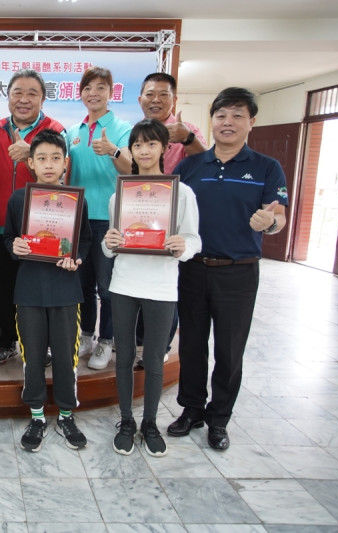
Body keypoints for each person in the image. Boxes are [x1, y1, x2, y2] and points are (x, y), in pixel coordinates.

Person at [169, 87, 288, 451]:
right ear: (212, 121)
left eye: (237, 115)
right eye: (221, 115)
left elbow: (279, 217)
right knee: (190, 343)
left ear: (252, 122)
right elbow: (168, 209)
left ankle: (219, 418)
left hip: (238, 272)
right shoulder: (190, 166)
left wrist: (269, 221)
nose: (228, 122)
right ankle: (191, 409)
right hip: (192, 268)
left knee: (229, 349)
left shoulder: (267, 167)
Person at [103, 119, 201, 457]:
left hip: (161, 286)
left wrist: (180, 246)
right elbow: (110, 246)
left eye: (151, 144)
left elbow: (193, 239)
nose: (144, 151)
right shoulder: (122, 195)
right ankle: (127, 421)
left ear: (164, 148)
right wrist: (110, 241)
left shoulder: (181, 193)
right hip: (125, 283)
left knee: (155, 359)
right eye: (138, 145)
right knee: (125, 356)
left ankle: (150, 423)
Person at [5, 130, 92, 452]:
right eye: (41, 158)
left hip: (66, 292)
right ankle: (38, 415)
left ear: (65, 163)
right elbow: (10, 239)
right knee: (33, 357)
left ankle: (67, 414)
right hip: (29, 292)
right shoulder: (18, 200)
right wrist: (14, 246)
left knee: (67, 358)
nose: (49, 164)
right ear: (31, 163)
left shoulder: (75, 200)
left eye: (56, 158)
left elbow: (84, 240)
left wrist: (76, 258)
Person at [0, 69, 66, 366]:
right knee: (3, 286)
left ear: (43, 98)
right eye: (17, 92)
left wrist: (31, 156)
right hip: (1, 224)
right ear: (7, 97)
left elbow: (62, 176)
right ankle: (5, 340)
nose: (24, 99)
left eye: (32, 93)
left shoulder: (55, 129)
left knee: (39, 288)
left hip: (43, 226)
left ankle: (39, 345)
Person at [133, 72, 208, 367]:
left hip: (175, 219)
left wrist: (186, 138)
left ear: (174, 99)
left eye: (163, 94)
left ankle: (160, 346)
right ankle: (142, 344)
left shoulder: (185, 129)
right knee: (140, 284)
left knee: (166, 287)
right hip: (142, 214)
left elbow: (206, 161)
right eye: (150, 94)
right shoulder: (138, 129)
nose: (156, 100)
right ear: (140, 99)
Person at [66, 67, 133, 371]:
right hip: (78, 220)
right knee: (81, 283)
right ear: (80, 93)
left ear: (111, 92)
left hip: (108, 220)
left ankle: (106, 340)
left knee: (107, 286)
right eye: (88, 88)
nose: (93, 93)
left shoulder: (122, 128)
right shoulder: (73, 132)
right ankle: (85, 335)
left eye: (101, 87)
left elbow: (131, 169)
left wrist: (114, 150)